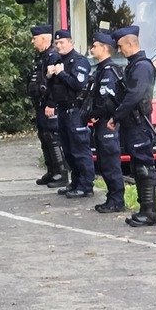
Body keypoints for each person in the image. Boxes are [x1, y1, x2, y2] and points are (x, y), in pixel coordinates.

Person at [112, 25, 156, 227]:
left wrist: (116, 116)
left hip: (139, 123)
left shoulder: (142, 66)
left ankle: (150, 212)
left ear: (131, 43)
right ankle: (144, 209)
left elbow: (135, 95)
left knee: (144, 167)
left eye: (121, 46)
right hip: (132, 123)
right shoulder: (133, 65)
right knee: (137, 166)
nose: (119, 50)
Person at [46, 28, 95, 198]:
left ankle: (86, 185)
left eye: (62, 42)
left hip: (75, 110)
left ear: (70, 42)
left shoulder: (79, 61)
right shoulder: (58, 61)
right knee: (68, 150)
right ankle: (75, 183)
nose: (58, 46)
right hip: (62, 109)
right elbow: (53, 88)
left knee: (79, 149)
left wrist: (61, 73)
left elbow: (77, 84)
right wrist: (50, 76)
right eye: (56, 43)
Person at [85, 31, 125, 213]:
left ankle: (117, 200)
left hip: (108, 122)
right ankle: (112, 197)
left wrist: (93, 113)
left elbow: (107, 101)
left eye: (94, 46)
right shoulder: (101, 69)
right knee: (103, 162)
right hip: (101, 122)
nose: (91, 49)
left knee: (110, 162)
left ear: (104, 48)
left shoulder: (109, 70)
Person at [28, 24, 68, 187]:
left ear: (44, 38)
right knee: (44, 136)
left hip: (49, 105)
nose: (32, 41)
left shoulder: (53, 57)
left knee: (52, 137)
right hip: (41, 103)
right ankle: (51, 171)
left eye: (34, 38)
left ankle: (61, 173)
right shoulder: (42, 57)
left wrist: (51, 103)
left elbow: (56, 83)